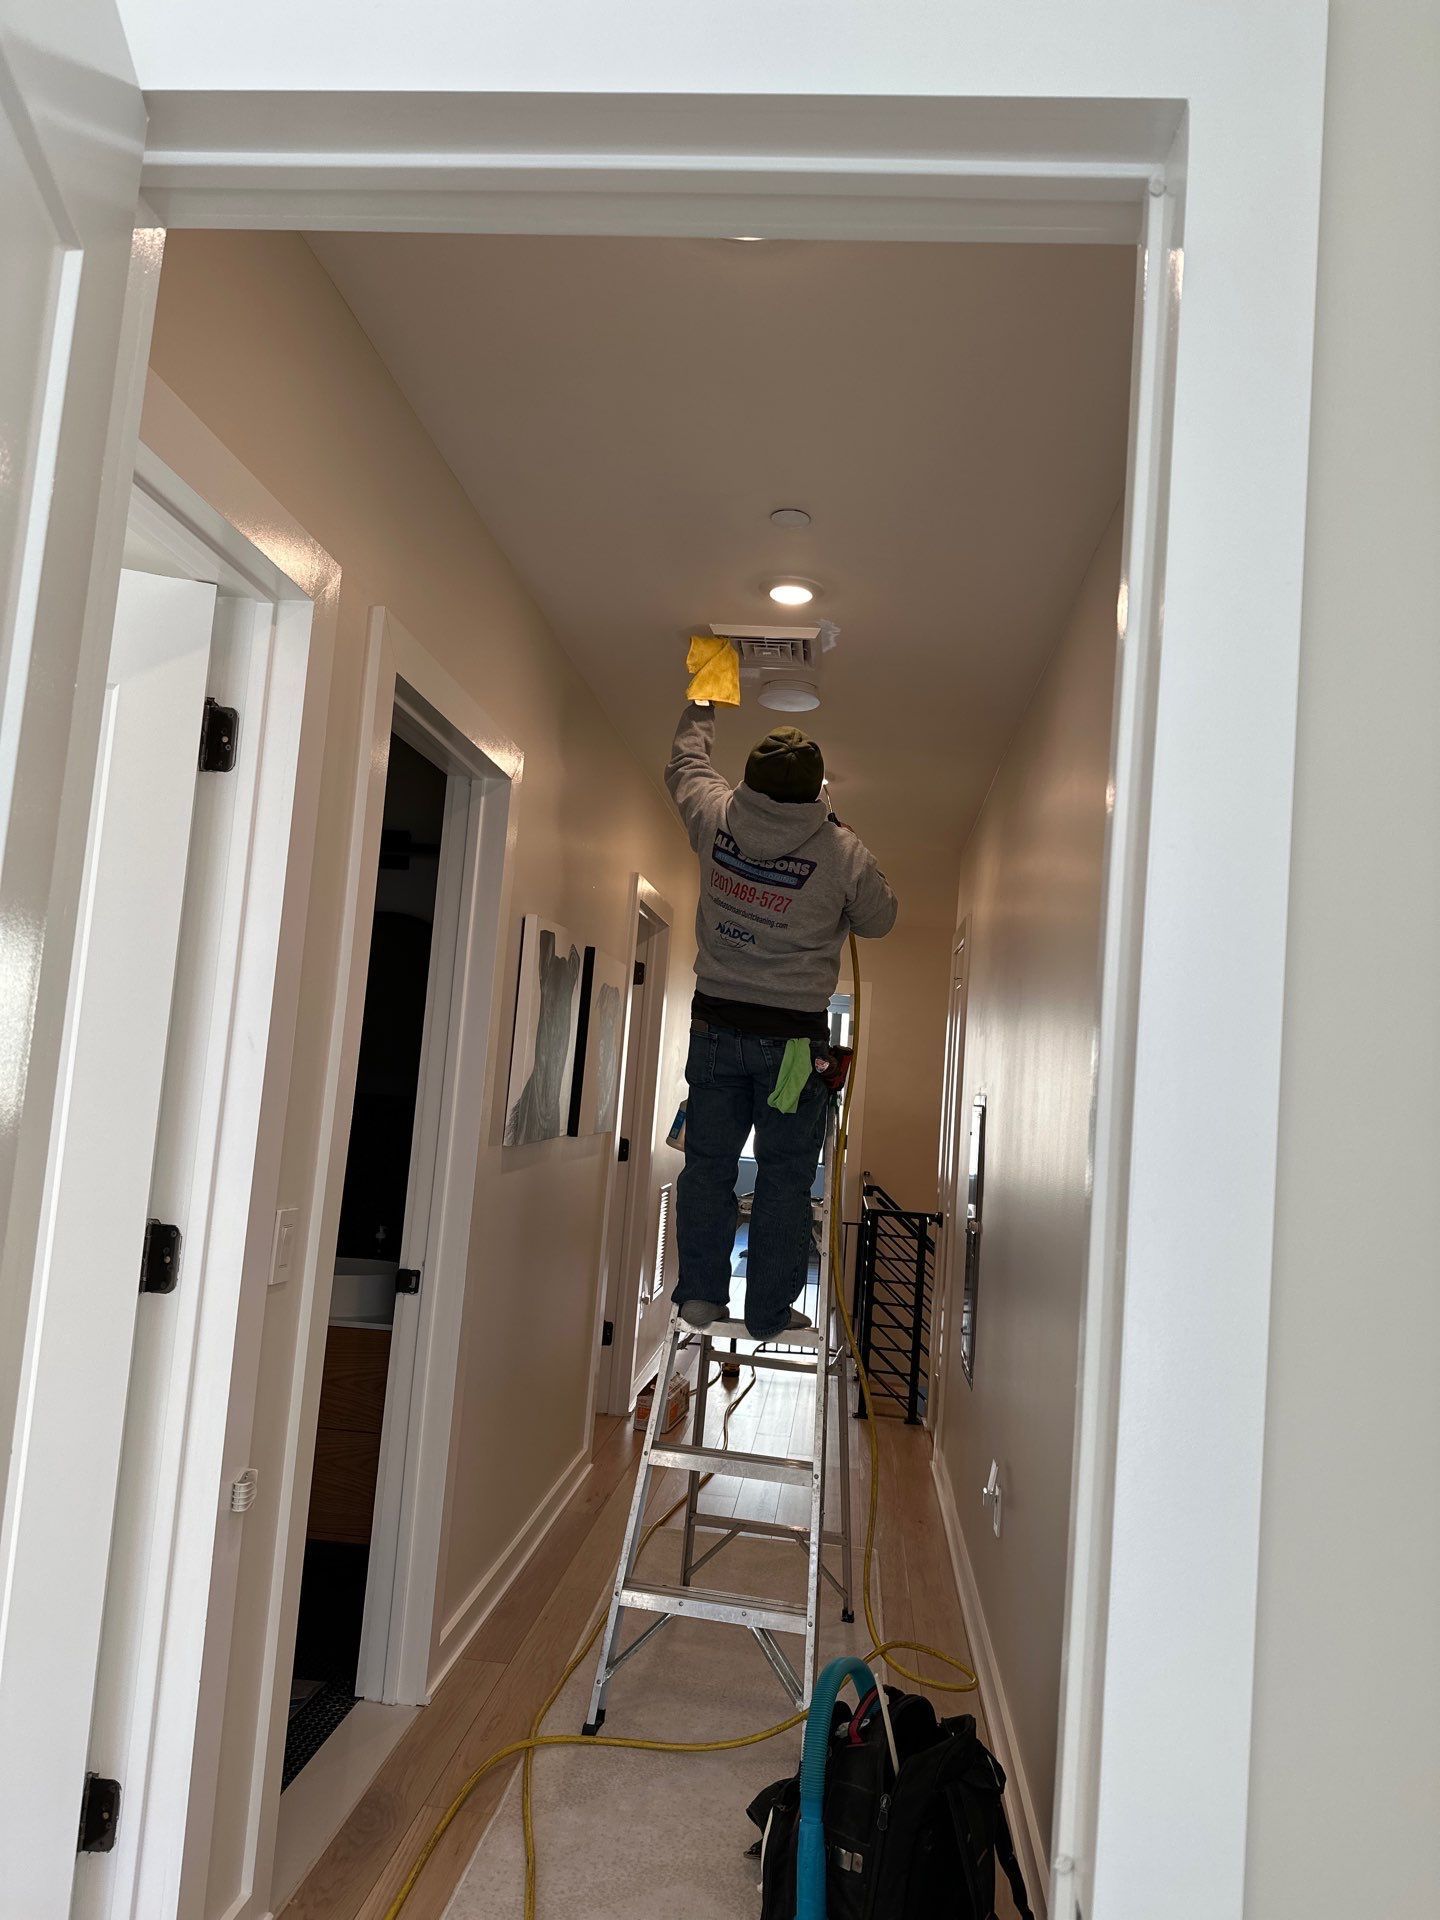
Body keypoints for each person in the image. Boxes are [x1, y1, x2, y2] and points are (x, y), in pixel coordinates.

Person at [665, 700, 898, 1337]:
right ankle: (767, 1311)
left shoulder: (716, 816)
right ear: (816, 793)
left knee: (709, 1166)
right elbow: (880, 918)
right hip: (794, 1045)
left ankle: (700, 1299)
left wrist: (701, 704)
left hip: (715, 1029)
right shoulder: (840, 849)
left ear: (749, 780)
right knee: (786, 1176)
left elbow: (685, 764)